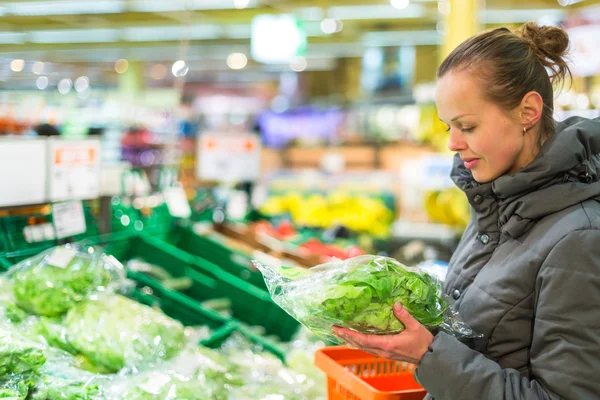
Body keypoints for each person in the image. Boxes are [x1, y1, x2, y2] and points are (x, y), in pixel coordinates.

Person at [334, 22, 600, 399]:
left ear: (528, 111)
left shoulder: (580, 239)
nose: (454, 143)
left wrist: (428, 354)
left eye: (468, 126)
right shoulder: (495, 206)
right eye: (448, 128)